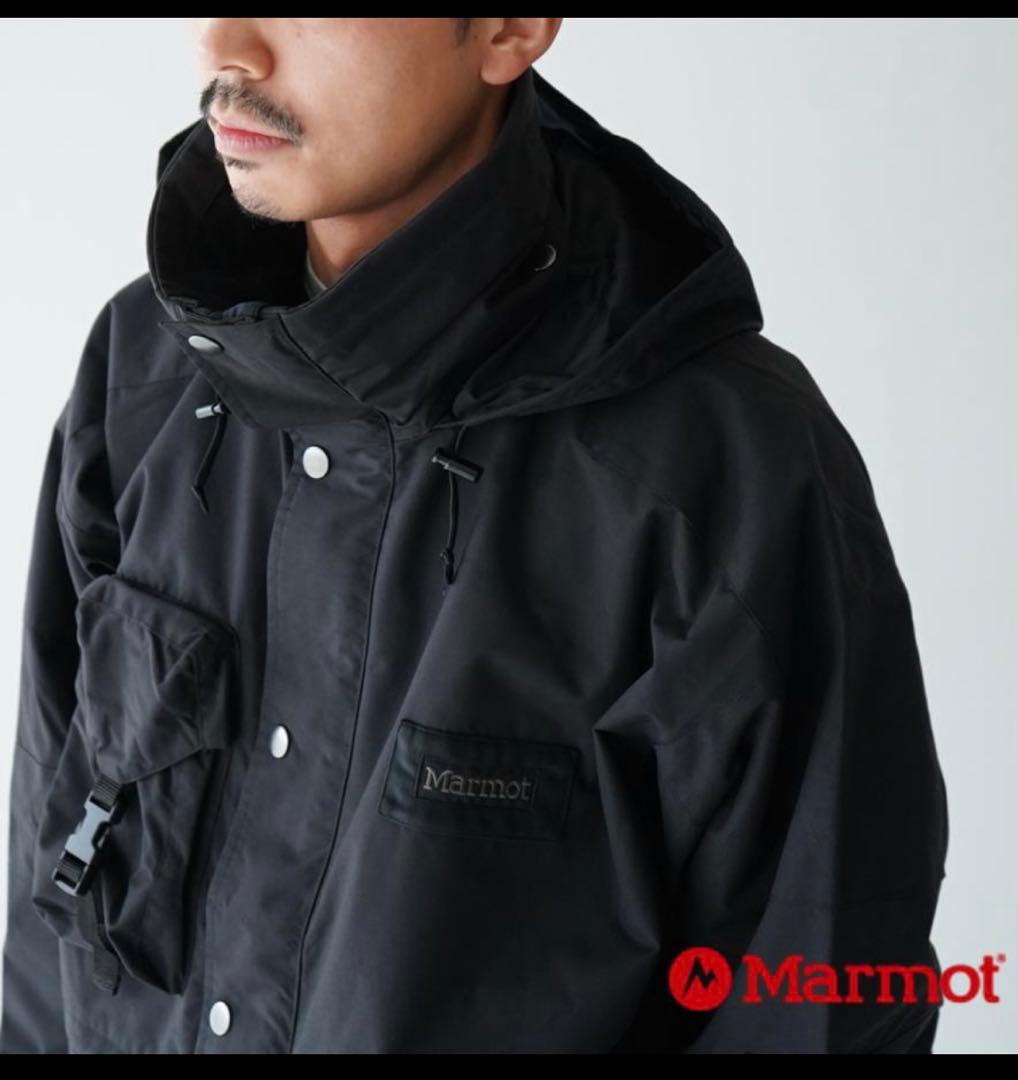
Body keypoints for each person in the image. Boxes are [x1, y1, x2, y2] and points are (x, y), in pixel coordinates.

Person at [0, 18, 949, 1054]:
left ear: (509, 29)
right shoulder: (143, 371)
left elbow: (817, 999)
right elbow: (47, 928)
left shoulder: (718, 468)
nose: (229, 47)